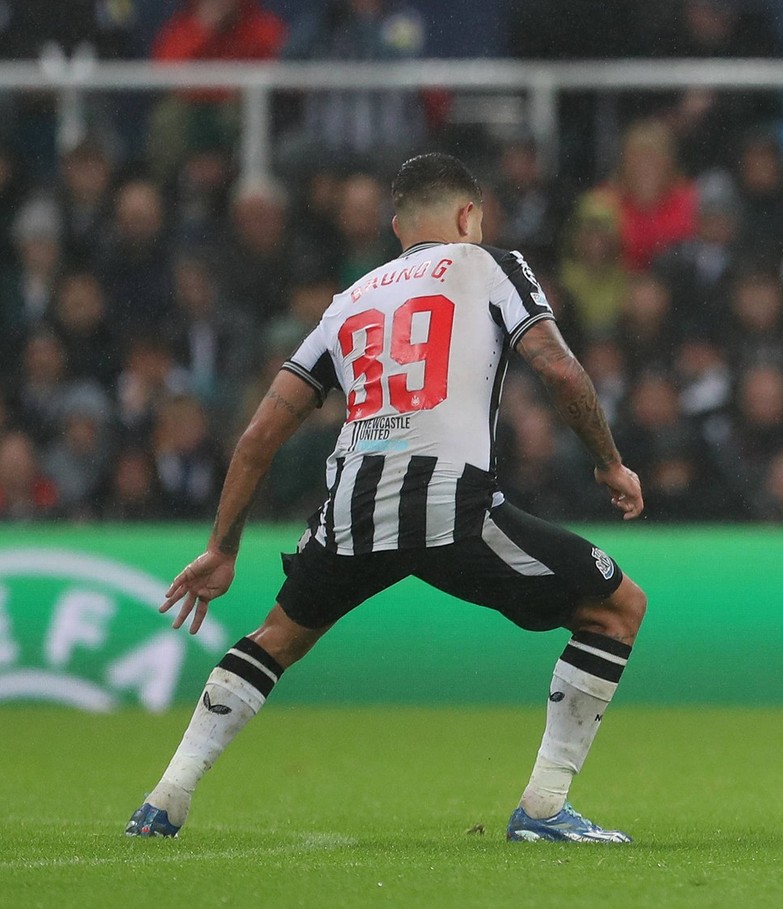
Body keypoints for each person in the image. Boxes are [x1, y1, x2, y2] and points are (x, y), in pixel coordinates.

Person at [124, 153, 649, 844]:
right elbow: (558, 367)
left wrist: (222, 548)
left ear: (398, 226)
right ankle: (546, 807)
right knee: (617, 607)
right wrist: (609, 462)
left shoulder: (347, 301)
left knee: (277, 638)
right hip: (447, 501)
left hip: (352, 505)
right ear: (468, 215)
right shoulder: (488, 264)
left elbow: (257, 436)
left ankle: (165, 797)